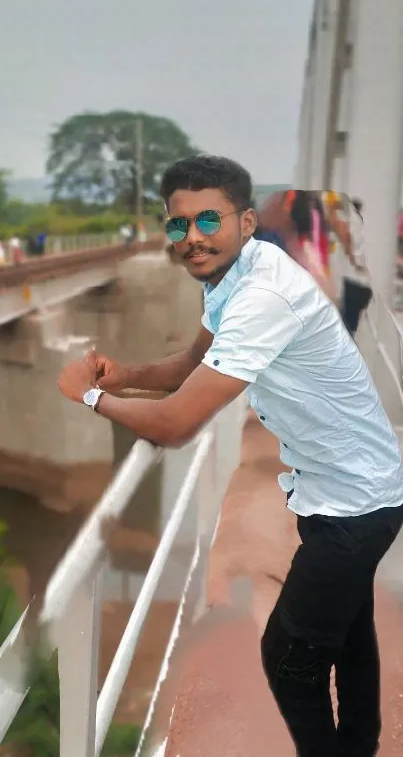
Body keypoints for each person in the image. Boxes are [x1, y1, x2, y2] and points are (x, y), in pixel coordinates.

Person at [58, 155, 403, 757]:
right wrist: (123, 376)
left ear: (245, 221)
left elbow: (177, 424)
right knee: (346, 633)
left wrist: (86, 396)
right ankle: (360, 744)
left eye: (209, 219)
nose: (192, 237)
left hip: (357, 502)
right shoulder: (238, 277)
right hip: (340, 488)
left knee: (290, 658)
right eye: (178, 225)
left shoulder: (262, 295)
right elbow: (190, 367)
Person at [341, 199, 373, 337]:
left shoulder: (350, 222)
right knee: (351, 323)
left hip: (352, 281)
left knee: (348, 320)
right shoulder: (356, 223)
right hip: (358, 281)